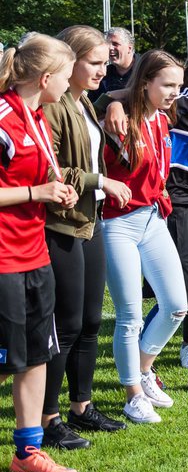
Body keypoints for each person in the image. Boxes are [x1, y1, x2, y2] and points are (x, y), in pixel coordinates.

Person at [102, 44, 188, 392]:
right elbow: (126, 94)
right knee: (175, 295)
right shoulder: (182, 101)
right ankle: (139, 365)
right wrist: (113, 102)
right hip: (172, 205)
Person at [41, 27, 133, 450]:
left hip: (89, 220)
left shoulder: (85, 103)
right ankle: (48, 418)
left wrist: (113, 102)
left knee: (92, 321)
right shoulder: (54, 107)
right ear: (68, 61)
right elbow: (51, 171)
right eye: (95, 62)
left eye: (105, 62)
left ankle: (82, 406)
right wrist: (102, 180)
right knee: (67, 324)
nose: (104, 69)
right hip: (60, 224)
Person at [0, 34, 80, 472]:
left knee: (34, 355)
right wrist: (36, 191)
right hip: (3, 259)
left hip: (34, 254)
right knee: (5, 359)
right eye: (67, 78)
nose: (69, 86)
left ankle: (26, 452)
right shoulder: (4, 119)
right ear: (47, 78)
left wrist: (55, 194)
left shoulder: (36, 116)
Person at [100, 50, 188, 424]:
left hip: (152, 220)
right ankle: (132, 395)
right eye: (167, 85)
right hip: (116, 223)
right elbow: (101, 102)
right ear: (145, 83)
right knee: (130, 317)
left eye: (179, 86)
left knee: (175, 306)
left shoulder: (163, 121)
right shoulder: (117, 120)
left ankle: (143, 369)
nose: (174, 93)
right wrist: (112, 102)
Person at [86, 28, 135, 101]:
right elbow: (92, 107)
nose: (110, 48)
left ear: (129, 48)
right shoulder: (102, 74)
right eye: (107, 44)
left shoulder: (146, 69)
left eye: (115, 44)